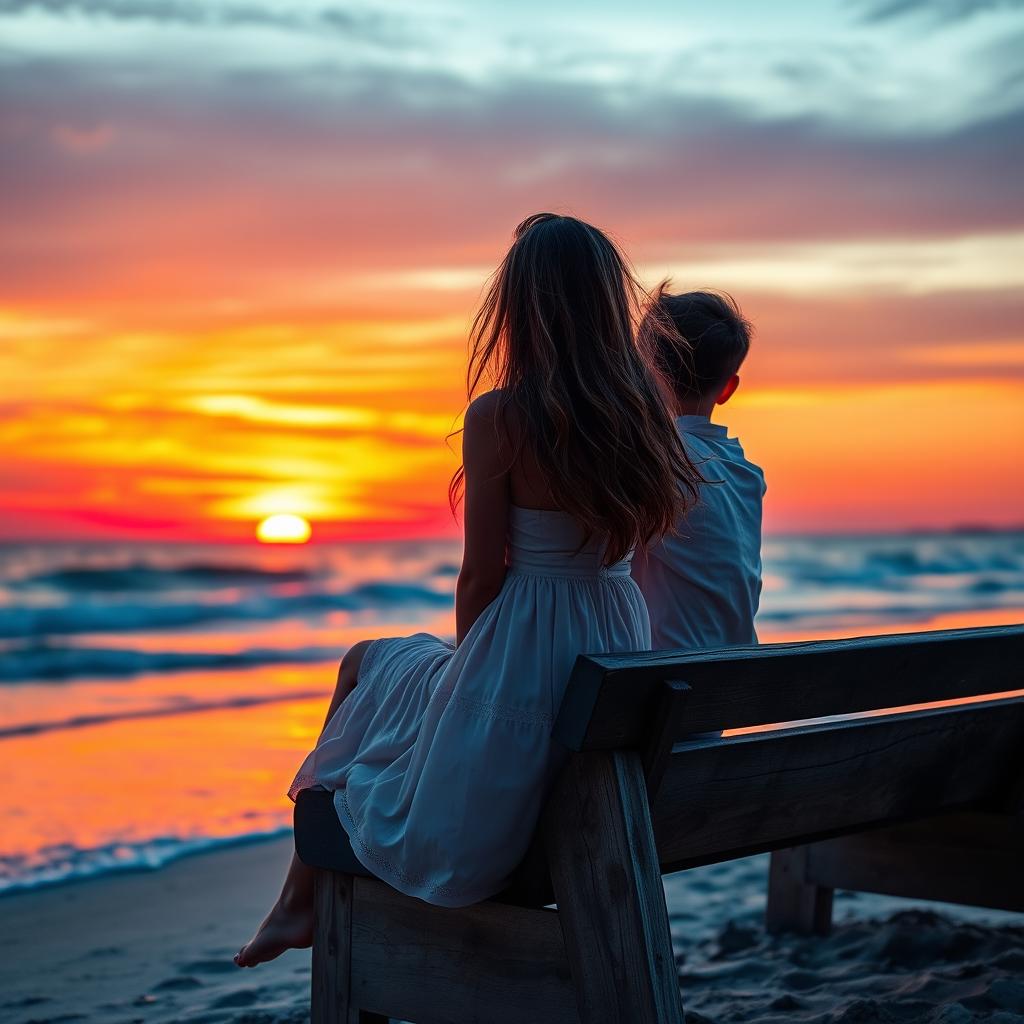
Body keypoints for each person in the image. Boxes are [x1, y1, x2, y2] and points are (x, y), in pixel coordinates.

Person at [235, 213, 703, 967]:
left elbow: (483, 572)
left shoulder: (504, 415)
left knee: (364, 661)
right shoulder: (646, 414)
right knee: (395, 679)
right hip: (613, 640)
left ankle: (297, 899)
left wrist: (468, 663)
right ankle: (295, 901)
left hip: (527, 647)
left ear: (519, 307)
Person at [631, 288, 766, 651]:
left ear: (643, 373)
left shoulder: (655, 458)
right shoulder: (747, 474)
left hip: (671, 684)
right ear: (727, 389)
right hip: (736, 684)